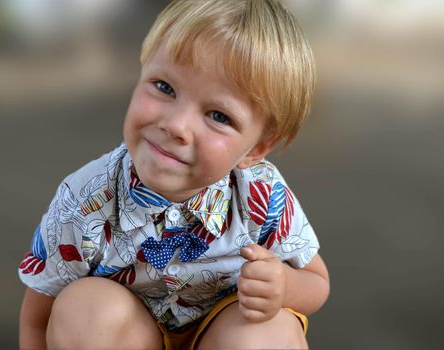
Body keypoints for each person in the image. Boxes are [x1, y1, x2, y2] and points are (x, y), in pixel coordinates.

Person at [18, 0, 330, 349]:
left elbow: (316, 281)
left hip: (225, 335)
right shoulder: (85, 201)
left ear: (256, 149)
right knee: (83, 311)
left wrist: (285, 286)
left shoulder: (262, 196)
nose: (177, 125)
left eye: (218, 116)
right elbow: (39, 317)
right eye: (164, 87)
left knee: (267, 334)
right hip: (126, 337)